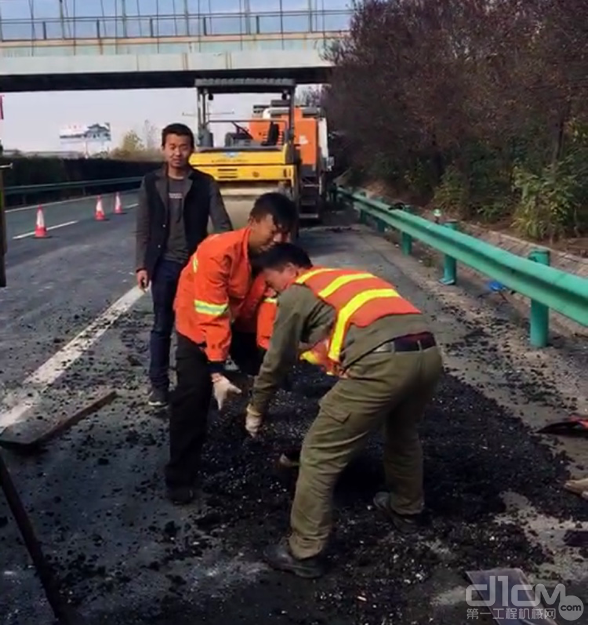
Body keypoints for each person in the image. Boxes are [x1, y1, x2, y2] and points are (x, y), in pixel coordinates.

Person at [245, 243, 443, 578]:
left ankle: (303, 551)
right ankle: (406, 510)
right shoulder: (351, 278)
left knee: (319, 454)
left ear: (291, 270)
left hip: (382, 364)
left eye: (271, 281)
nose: (271, 290)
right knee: (403, 433)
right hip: (428, 355)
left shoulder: (298, 292)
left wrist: (256, 408)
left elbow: (276, 360)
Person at [166, 193, 298, 505]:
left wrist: (273, 354)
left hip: (239, 324)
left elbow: (277, 308)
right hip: (198, 327)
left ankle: (287, 449)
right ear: (252, 222)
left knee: (279, 374)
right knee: (192, 397)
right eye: (273, 230)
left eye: (285, 232)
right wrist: (216, 371)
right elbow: (212, 315)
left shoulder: (277, 259)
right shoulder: (218, 251)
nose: (278, 239)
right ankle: (180, 477)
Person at [135, 122, 233, 408]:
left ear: (192, 149)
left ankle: (195, 384)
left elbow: (223, 225)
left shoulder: (205, 183)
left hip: (196, 267)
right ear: (164, 149)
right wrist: (142, 265)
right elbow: (143, 227)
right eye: (172, 147)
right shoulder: (151, 183)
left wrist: (224, 260)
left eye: (184, 147)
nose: (178, 153)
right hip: (163, 263)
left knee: (198, 327)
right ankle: (159, 387)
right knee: (161, 326)